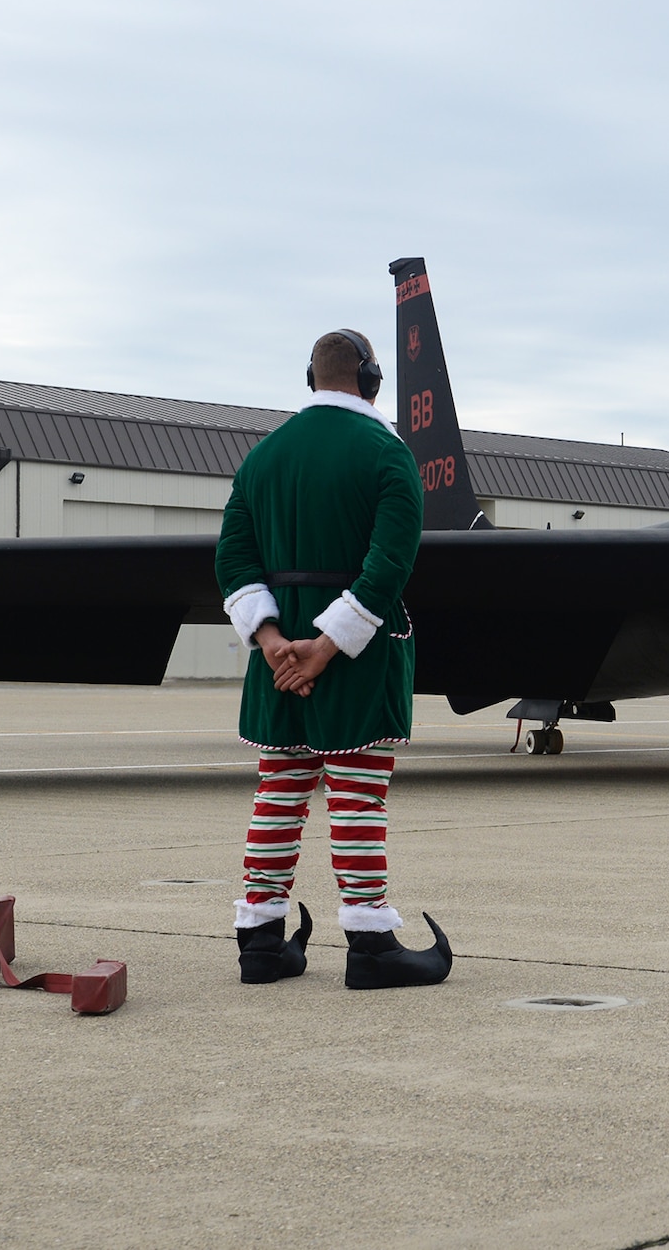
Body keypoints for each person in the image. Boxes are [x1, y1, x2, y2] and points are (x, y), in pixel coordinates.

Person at [215, 329, 451, 989]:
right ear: (372, 378)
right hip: (353, 660)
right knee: (356, 800)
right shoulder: (387, 452)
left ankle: (260, 941)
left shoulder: (261, 459)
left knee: (278, 796)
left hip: (276, 661)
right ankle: (371, 942)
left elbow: (232, 559)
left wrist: (274, 644)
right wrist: (326, 646)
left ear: (310, 377)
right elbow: (389, 565)